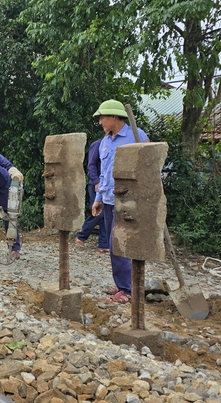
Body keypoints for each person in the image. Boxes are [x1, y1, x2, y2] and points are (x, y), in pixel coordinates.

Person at [91, 99, 149, 304]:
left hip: (129, 200)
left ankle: (130, 289)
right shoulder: (105, 142)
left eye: (102, 118)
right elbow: (105, 174)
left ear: (114, 117)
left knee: (128, 243)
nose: (100, 122)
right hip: (108, 199)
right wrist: (98, 198)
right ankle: (123, 285)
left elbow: (148, 168)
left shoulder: (137, 136)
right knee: (115, 244)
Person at [75, 132, 109, 253]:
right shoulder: (97, 144)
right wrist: (95, 181)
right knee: (98, 212)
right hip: (96, 184)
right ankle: (82, 235)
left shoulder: (113, 146)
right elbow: (91, 165)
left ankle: (103, 244)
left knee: (106, 213)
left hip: (107, 185)